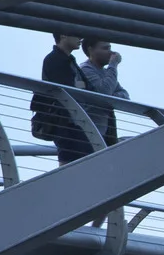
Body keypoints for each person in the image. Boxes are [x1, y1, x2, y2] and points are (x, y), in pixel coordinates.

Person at [29, 33, 94, 163]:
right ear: (64, 35)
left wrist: (80, 86)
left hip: (71, 119)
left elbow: (88, 88)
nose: (80, 37)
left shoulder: (68, 59)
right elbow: (65, 89)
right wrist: (79, 87)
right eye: (76, 33)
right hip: (64, 120)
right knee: (75, 158)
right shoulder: (55, 59)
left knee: (78, 158)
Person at [76, 38, 126, 146]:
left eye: (110, 48)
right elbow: (105, 91)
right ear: (91, 50)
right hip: (89, 133)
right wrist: (113, 65)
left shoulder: (105, 73)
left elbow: (125, 95)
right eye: (105, 48)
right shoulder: (85, 70)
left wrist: (109, 97)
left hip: (104, 131)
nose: (111, 52)